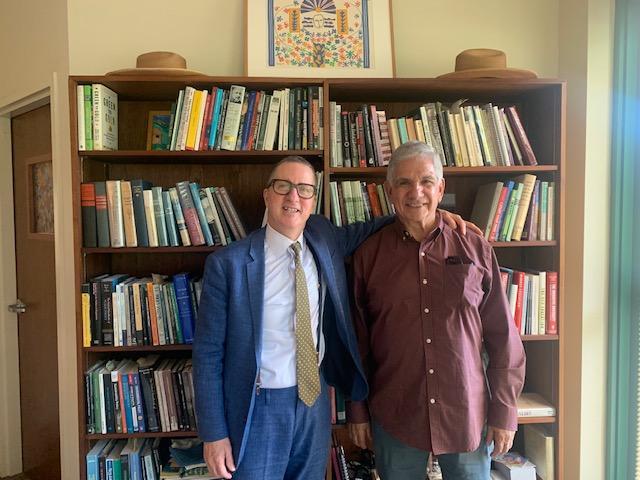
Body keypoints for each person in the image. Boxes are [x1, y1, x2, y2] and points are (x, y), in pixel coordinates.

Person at [193, 155, 473, 480]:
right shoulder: (228, 264)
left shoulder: (323, 238)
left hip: (314, 404)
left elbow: (378, 225)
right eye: (283, 187)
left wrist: (433, 214)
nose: (293, 197)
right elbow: (208, 353)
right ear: (267, 194)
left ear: (314, 200)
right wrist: (213, 434)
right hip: (258, 408)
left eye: (304, 189)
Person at [347, 141, 526, 480]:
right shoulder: (368, 256)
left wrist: (505, 410)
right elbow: (358, 344)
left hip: (466, 412)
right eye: (403, 182)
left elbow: (504, 336)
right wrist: (356, 411)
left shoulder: (474, 247)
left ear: (441, 187)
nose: (416, 192)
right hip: (396, 412)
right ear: (389, 191)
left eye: (426, 181)